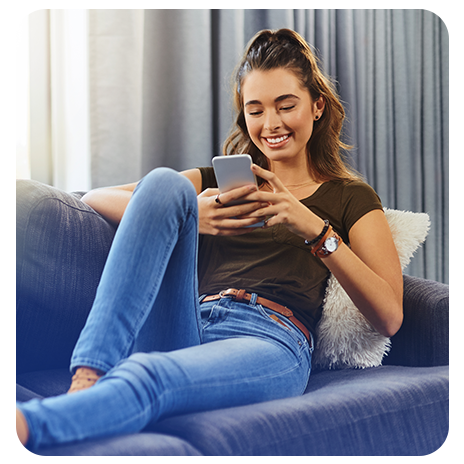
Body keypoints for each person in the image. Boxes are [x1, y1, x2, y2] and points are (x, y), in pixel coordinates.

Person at [16, 28, 403, 451]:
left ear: (317, 107)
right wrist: (193, 214)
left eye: (285, 105)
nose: (270, 124)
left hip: (269, 339)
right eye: (255, 110)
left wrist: (313, 229)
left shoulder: (350, 197)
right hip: (191, 320)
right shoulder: (218, 183)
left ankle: (28, 427)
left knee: (149, 376)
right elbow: (94, 198)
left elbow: (388, 316)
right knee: (165, 184)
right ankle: (88, 376)